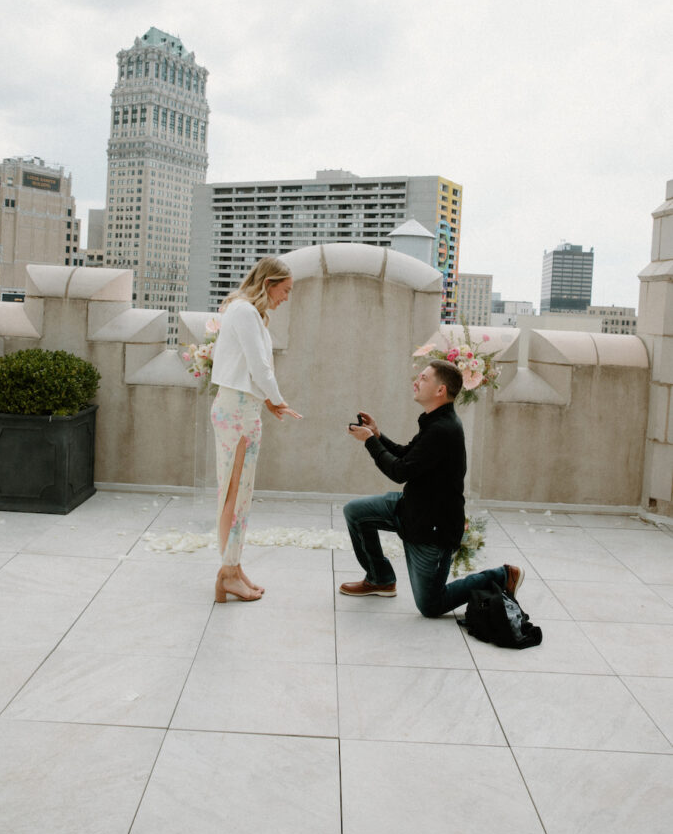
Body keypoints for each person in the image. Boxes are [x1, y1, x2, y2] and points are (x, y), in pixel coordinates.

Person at [341, 359, 524, 616]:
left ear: (440, 390)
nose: (416, 381)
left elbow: (399, 471)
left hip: (432, 529)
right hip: (411, 509)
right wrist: (378, 435)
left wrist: (370, 442)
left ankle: (502, 575)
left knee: (431, 605)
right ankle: (380, 578)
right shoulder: (435, 420)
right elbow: (408, 456)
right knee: (356, 512)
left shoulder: (444, 429)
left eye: (424, 378)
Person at [210, 256, 301, 603]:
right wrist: (277, 399)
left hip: (243, 410)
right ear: (268, 283)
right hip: (237, 413)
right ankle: (227, 574)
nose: (286, 297)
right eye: (285, 290)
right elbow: (259, 367)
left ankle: (233, 568)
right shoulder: (245, 312)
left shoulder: (247, 312)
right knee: (235, 495)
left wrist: (266, 403)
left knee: (240, 495)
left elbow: (248, 369)